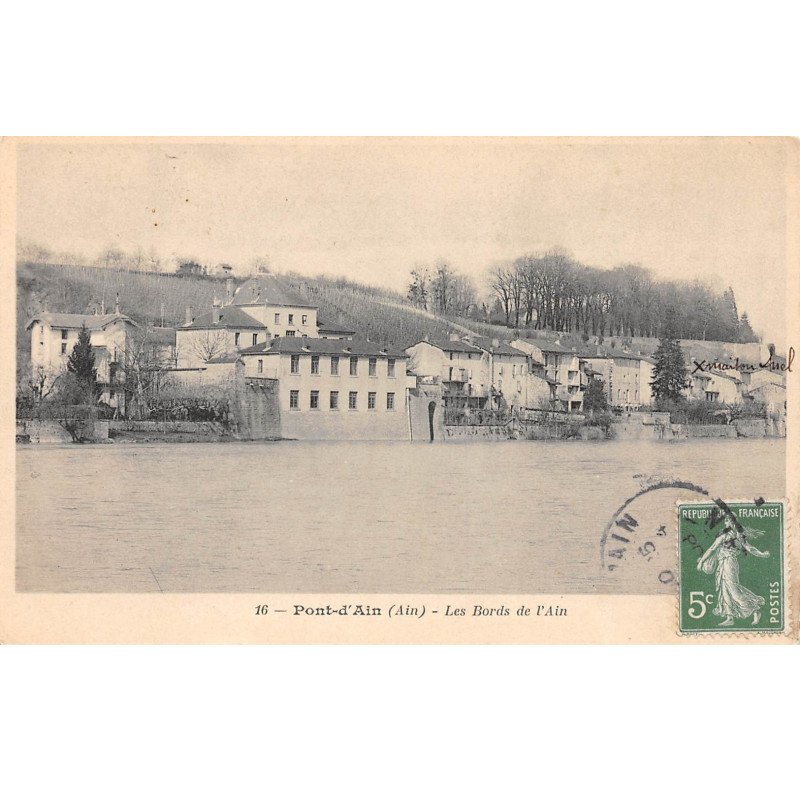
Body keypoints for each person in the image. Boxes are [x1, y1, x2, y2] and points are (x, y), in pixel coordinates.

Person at [697, 517, 770, 626]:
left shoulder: (732, 535)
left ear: (733, 522)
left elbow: (713, 548)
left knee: (733, 589)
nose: (726, 522)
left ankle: (755, 610)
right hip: (723, 563)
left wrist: (701, 561)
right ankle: (729, 617)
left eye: (728, 520)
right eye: (726, 520)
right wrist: (762, 554)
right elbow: (713, 548)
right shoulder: (730, 534)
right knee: (724, 588)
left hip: (729, 563)